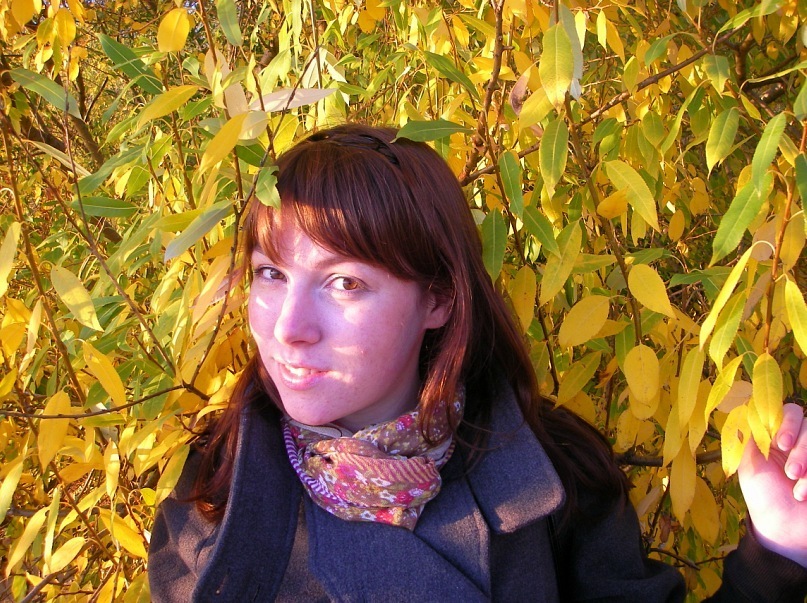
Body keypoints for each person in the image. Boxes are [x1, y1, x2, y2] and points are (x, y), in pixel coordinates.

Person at [148, 124, 807, 601]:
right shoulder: (212, 494)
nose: (288, 328)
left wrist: (778, 551)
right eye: (270, 273)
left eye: (344, 282)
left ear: (437, 297)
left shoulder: (557, 475)